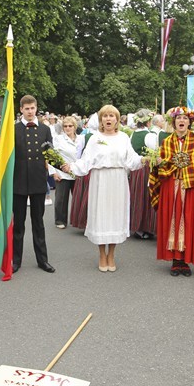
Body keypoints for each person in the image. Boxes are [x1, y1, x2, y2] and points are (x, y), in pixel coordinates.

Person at [63, 105, 143, 271]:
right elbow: (86, 161)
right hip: (100, 180)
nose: (108, 119)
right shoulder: (94, 138)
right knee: (101, 216)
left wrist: (144, 160)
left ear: (117, 119)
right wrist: (71, 167)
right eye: (105, 116)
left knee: (115, 216)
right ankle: (101, 254)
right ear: (100, 119)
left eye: (111, 116)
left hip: (118, 180)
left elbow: (132, 159)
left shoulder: (123, 138)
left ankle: (111, 254)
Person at [149, 106, 194, 277]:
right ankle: (175, 260)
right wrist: (159, 163)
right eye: (179, 118)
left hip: (191, 188)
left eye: (185, 118)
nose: (182, 121)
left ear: (190, 122)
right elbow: (160, 167)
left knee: (190, 221)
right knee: (172, 220)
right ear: (174, 122)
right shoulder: (166, 142)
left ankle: (185, 260)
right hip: (171, 186)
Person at [12, 95, 55, 273]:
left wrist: (60, 170)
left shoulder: (45, 129)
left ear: (36, 108)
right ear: (21, 109)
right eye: (26, 108)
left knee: (38, 223)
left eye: (32, 108)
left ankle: (42, 260)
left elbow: (50, 153)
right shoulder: (13, 129)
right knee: (19, 225)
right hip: (18, 181)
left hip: (38, 180)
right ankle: (16, 261)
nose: (30, 111)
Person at [129, 108, 157, 240]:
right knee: (145, 196)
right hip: (146, 168)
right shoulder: (150, 135)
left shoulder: (133, 135)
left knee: (137, 196)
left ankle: (139, 226)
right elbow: (155, 153)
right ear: (148, 121)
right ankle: (143, 227)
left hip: (135, 169)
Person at [69, 112, 98, 230]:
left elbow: (78, 154)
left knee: (84, 197)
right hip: (90, 169)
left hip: (86, 169)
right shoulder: (88, 137)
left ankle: (85, 221)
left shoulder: (83, 137)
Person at [49, 116, 78, 229]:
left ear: (74, 127)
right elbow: (52, 156)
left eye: (70, 126)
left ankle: (78, 220)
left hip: (77, 171)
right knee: (61, 199)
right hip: (62, 173)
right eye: (65, 126)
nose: (68, 128)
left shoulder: (81, 139)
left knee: (78, 199)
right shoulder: (58, 139)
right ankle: (60, 220)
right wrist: (54, 173)